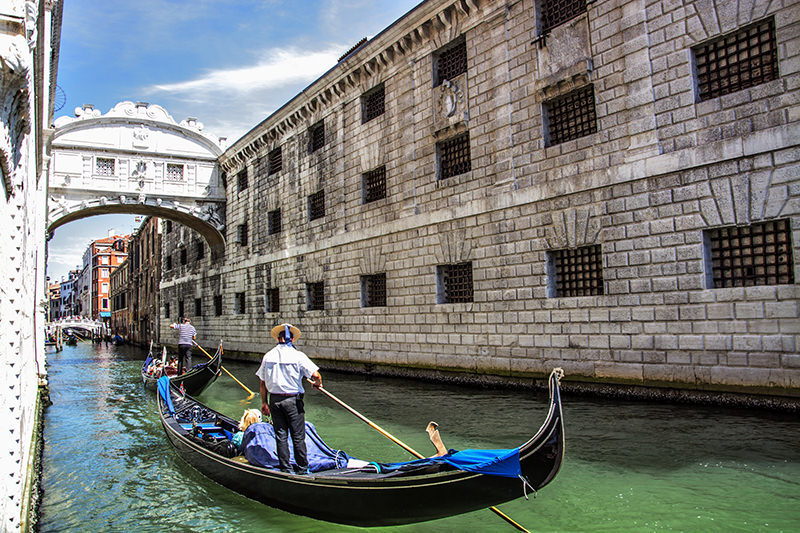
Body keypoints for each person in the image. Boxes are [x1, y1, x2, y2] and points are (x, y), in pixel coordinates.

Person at [256, 323, 322, 474]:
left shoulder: (268, 356)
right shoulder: (298, 356)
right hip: (292, 401)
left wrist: (264, 403)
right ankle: (302, 469)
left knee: (281, 436)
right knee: (298, 437)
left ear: (278, 339)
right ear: (291, 339)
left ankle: (285, 469)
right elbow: (316, 375)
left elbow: (262, 382)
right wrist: (318, 384)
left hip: (275, 401)